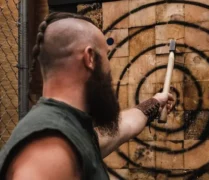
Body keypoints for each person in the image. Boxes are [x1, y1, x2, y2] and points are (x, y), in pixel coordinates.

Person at [0, 12, 173, 180]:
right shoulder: (49, 148)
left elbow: (122, 128)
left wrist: (154, 103)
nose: (109, 68)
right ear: (89, 58)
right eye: (106, 55)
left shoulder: (71, 128)